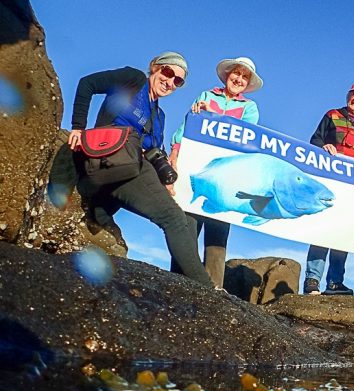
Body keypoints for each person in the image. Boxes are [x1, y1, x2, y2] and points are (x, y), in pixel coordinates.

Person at [68, 52, 212, 286]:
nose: (170, 81)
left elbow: (155, 152)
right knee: (173, 219)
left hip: (131, 171)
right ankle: (207, 289)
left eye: (178, 81)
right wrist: (77, 127)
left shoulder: (159, 116)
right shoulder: (133, 80)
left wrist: (167, 181)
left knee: (186, 219)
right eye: (168, 72)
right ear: (155, 68)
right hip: (110, 157)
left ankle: (98, 213)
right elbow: (88, 83)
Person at [168, 56, 263, 287]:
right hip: (195, 173)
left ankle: (213, 291)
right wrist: (175, 152)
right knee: (187, 227)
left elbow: (247, 137)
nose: (238, 79)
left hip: (226, 180)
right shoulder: (206, 96)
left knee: (217, 237)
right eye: (236, 73)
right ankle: (175, 283)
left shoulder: (249, 108)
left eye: (244, 76)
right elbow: (187, 126)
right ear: (228, 74)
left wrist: (214, 116)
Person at [304, 81, 354, 295]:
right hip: (329, 182)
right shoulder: (332, 115)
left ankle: (335, 281)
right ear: (348, 96)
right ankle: (312, 280)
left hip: (352, 188)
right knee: (322, 228)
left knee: (342, 232)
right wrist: (322, 147)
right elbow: (314, 140)